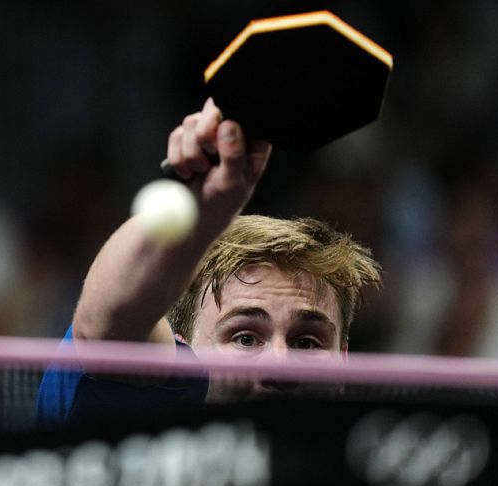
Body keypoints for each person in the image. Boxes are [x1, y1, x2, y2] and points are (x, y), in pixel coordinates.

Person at [36, 98, 381, 425]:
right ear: (178, 344)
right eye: (245, 338)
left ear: (343, 362)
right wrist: (200, 207)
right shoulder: (138, 411)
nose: (280, 365)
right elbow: (105, 329)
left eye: (306, 343)